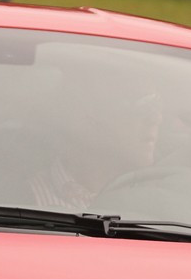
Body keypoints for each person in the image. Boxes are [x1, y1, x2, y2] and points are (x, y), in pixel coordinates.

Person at [28, 72, 162, 212]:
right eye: (142, 105)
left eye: (157, 104)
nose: (156, 119)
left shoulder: (164, 202)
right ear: (84, 119)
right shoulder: (20, 202)